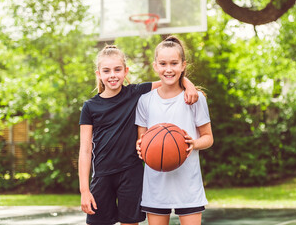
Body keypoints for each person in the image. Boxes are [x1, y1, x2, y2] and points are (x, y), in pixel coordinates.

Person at [78, 44, 199, 225]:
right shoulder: (90, 106)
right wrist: (84, 190)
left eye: (118, 69)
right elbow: (85, 150)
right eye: (106, 70)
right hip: (102, 175)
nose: (112, 75)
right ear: (98, 74)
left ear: (125, 71)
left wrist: (189, 85)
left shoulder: (135, 93)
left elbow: (168, 81)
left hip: (131, 173)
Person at [135, 36, 214, 225]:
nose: (168, 69)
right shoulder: (145, 100)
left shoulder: (195, 98)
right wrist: (141, 147)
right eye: (163, 63)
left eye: (174, 63)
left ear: (183, 65)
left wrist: (193, 143)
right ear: (155, 66)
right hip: (156, 183)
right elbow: (142, 141)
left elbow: (208, 138)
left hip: (188, 182)